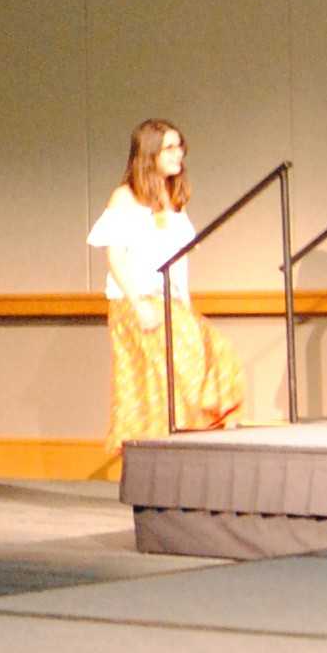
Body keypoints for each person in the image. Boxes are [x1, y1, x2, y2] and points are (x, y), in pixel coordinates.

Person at [90, 116, 246, 446]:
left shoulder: (173, 197)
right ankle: (162, 452)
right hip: (136, 301)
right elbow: (116, 259)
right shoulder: (125, 198)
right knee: (165, 381)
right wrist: (139, 307)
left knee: (212, 356)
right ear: (150, 154)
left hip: (169, 302)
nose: (179, 155)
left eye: (180, 147)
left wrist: (186, 304)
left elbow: (180, 260)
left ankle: (189, 451)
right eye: (170, 148)